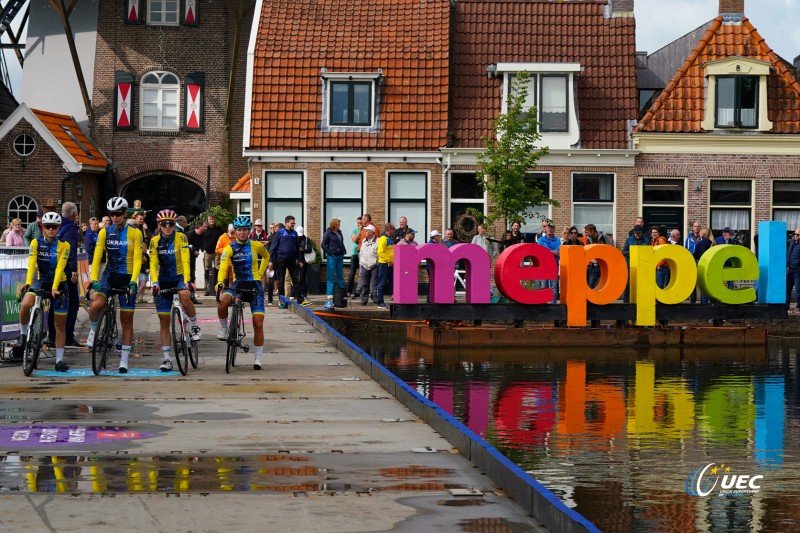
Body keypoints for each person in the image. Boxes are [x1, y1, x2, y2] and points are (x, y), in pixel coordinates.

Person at [87, 197, 143, 373]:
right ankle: (93, 330)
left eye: (118, 214)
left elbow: (137, 259)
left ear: (125, 214)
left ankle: (124, 360)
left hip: (127, 276)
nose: (115, 217)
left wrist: (134, 281)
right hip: (109, 275)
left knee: (126, 320)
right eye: (112, 214)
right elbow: (97, 257)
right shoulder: (104, 232)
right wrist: (93, 279)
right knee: (96, 304)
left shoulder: (135, 233)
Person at [16, 212, 71, 371]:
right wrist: (27, 283)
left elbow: (61, 267)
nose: (51, 229)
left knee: (59, 324)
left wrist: (55, 287)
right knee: (26, 304)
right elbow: (32, 263)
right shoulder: (35, 242)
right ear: (43, 227)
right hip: (42, 281)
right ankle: (24, 334)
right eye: (48, 226)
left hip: (59, 283)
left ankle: (59, 361)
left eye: (54, 227)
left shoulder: (64, 245)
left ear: (59, 228)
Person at [150, 209, 201, 372]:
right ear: (159, 225)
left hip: (179, 276)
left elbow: (186, 259)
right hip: (163, 279)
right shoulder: (154, 241)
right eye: (164, 224)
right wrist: (155, 282)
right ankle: (166, 360)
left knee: (185, 295)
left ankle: (194, 325)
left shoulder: (181, 237)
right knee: (164, 321)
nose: (167, 227)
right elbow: (152, 263)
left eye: (170, 224)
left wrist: (187, 280)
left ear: (174, 225)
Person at [215, 216, 270, 370]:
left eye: (245, 230)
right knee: (222, 302)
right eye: (239, 230)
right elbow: (223, 267)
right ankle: (224, 329)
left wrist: (259, 273)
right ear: (235, 231)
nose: (242, 232)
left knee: (258, 323)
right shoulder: (229, 248)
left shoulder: (256, 245)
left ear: (249, 230)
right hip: (238, 285)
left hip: (254, 287)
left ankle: (258, 357)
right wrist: (220, 283)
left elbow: (266, 256)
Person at [50, 202, 81, 348]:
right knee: (73, 303)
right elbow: (71, 249)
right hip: (66, 271)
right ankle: (67, 335)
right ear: (74, 215)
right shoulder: (70, 228)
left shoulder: (54, 224)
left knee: (53, 303)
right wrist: (74, 269)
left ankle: (51, 336)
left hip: (50, 269)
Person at [269, 215, 303, 307]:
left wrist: (299, 260)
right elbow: (273, 247)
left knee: (295, 279)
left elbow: (297, 248)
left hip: (292, 259)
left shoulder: (295, 233)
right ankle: (281, 300)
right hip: (281, 259)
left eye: (294, 223)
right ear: (286, 223)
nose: (293, 225)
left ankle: (300, 299)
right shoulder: (280, 233)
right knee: (281, 280)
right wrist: (271, 261)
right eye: (291, 223)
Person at [321, 218, 347, 310]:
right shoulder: (328, 233)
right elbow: (323, 244)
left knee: (340, 275)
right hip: (332, 256)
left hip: (340, 256)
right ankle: (329, 295)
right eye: (338, 224)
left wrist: (344, 250)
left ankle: (341, 294)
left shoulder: (339, 232)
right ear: (334, 225)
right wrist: (330, 252)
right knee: (331, 275)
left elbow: (341, 242)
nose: (340, 226)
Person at [622, 225, 649, 303]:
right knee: (628, 284)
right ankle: (626, 302)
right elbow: (624, 251)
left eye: (639, 233)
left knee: (642, 284)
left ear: (642, 233)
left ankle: (641, 300)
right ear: (634, 233)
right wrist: (634, 251)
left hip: (642, 265)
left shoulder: (646, 240)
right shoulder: (629, 239)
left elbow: (648, 252)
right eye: (636, 233)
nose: (638, 235)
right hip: (631, 265)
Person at [537, 221, 561, 303]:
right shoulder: (540, 240)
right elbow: (540, 252)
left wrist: (546, 251)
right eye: (548, 227)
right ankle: (544, 303)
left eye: (551, 228)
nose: (550, 229)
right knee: (544, 285)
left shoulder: (557, 240)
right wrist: (552, 251)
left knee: (553, 286)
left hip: (554, 265)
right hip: (543, 265)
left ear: (554, 229)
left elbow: (558, 253)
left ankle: (553, 304)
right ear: (545, 229)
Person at [583, 223, 611, 289]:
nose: (586, 234)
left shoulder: (603, 236)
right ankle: (591, 298)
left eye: (587, 232)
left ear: (593, 231)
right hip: (595, 263)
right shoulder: (588, 238)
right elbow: (588, 250)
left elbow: (610, 247)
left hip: (604, 262)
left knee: (606, 282)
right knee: (591, 283)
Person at [201, 214, 224, 295]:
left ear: (215, 220)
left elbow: (222, 239)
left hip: (216, 252)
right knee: (207, 269)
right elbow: (201, 239)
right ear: (208, 220)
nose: (211, 221)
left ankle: (217, 287)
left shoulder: (219, 229)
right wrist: (203, 248)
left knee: (218, 268)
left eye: (213, 219)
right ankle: (208, 288)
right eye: (210, 219)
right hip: (207, 252)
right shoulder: (205, 229)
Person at [186, 221, 207, 304]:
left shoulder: (202, 236)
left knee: (192, 277)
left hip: (192, 259)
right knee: (187, 277)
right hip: (185, 259)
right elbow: (185, 244)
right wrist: (193, 250)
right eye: (204, 226)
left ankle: (192, 296)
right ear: (199, 226)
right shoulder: (190, 234)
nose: (206, 228)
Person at [375, 223, 395, 309]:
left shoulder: (389, 239)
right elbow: (380, 252)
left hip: (390, 264)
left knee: (393, 282)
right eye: (393, 229)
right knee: (381, 282)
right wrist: (388, 260)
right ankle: (380, 302)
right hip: (384, 263)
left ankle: (395, 298)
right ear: (389, 229)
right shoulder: (383, 239)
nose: (394, 230)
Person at [358, 225, 379, 305]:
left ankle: (375, 299)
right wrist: (361, 262)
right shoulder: (364, 241)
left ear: (372, 232)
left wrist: (376, 262)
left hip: (374, 265)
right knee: (364, 284)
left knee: (374, 284)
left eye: (367, 231)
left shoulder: (378, 241)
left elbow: (379, 253)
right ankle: (364, 300)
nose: (365, 232)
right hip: (364, 265)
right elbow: (361, 253)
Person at [693, 228, 714, 304]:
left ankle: (704, 303)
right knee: (710, 285)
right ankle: (712, 301)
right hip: (711, 266)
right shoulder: (713, 243)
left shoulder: (700, 243)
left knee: (703, 285)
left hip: (702, 265)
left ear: (703, 234)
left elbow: (695, 255)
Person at [684, 221, 703, 303]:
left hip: (702, 263)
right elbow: (686, 251)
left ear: (700, 228)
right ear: (692, 228)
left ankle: (703, 301)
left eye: (698, 226)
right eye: (695, 226)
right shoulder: (688, 239)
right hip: (691, 263)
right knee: (692, 283)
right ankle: (693, 301)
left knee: (702, 283)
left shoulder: (703, 239)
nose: (696, 228)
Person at [296, 226, 313, 305]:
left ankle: (304, 293)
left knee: (302, 277)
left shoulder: (306, 239)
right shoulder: (294, 239)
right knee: (295, 277)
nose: (299, 236)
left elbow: (310, 249)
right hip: (296, 260)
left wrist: (303, 250)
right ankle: (295, 293)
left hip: (304, 260)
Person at [347, 217, 363, 298]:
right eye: (358, 223)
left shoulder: (366, 230)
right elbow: (354, 239)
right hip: (355, 254)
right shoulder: (354, 230)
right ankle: (349, 291)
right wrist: (359, 231)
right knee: (352, 273)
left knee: (362, 274)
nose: (359, 224)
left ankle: (360, 291)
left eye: (361, 223)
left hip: (363, 254)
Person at [787, 228, 800, 313]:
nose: (795, 235)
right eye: (795, 234)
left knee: (798, 290)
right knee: (787, 289)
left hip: (798, 270)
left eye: (798, 234)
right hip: (790, 269)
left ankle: (799, 307)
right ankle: (785, 306)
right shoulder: (792, 242)